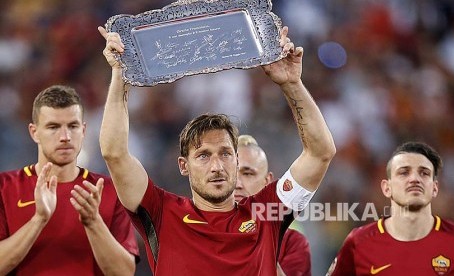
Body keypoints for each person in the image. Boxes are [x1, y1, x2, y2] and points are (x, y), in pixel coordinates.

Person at [99, 24, 336, 275]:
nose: (217, 166)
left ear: (235, 159)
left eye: (225, 153)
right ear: (183, 165)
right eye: (203, 155)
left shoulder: (267, 213)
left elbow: (320, 153)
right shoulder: (162, 213)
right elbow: (114, 153)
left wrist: (292, 84)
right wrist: (120, 76)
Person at [0, 85, 139, 275]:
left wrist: (93, 222)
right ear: (34, 132)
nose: (65, 137)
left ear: (83, 130)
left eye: (72, 126)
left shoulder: (107, 190)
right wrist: (39, 219)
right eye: (53, 127)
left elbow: (124, 273)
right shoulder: (4, 187)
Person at [327, 141, 454, 275]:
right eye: (404, 172)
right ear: (387, 188)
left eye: (424, 173)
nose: (415, 179)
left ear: (435, 188)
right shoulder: (358, 242)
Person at [235, 134, 311, 276]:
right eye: (231, 174)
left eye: (248, 174)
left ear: (267, 181)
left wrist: (259, 246)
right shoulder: (199, 232)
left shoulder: (293, 243)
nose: (237, 184)